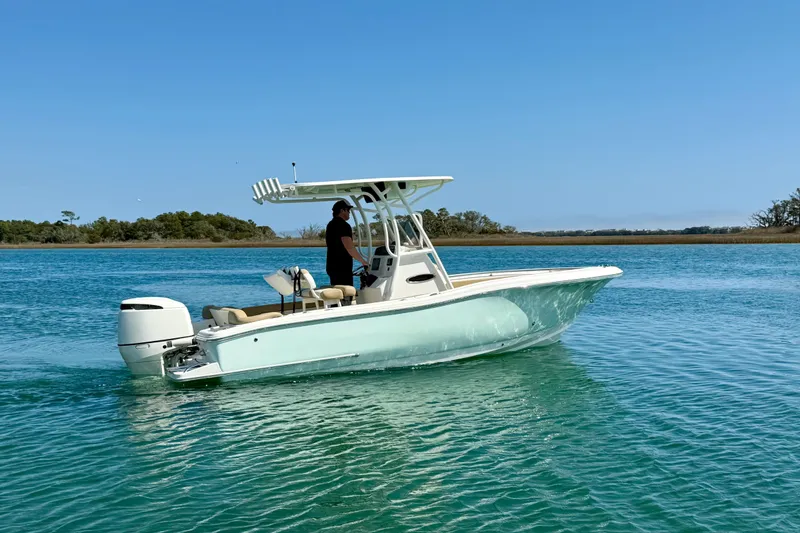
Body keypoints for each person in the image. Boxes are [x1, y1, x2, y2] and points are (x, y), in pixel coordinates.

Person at [326, 199, 368, 288]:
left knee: (337, 289)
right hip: (341, 267)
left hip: (331, 265)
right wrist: (363, 262)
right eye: (348, 210)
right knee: (346, 292)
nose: (349, 213)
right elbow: (349, 247)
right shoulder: (343, 225)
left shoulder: (330, 224)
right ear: (342, 210)